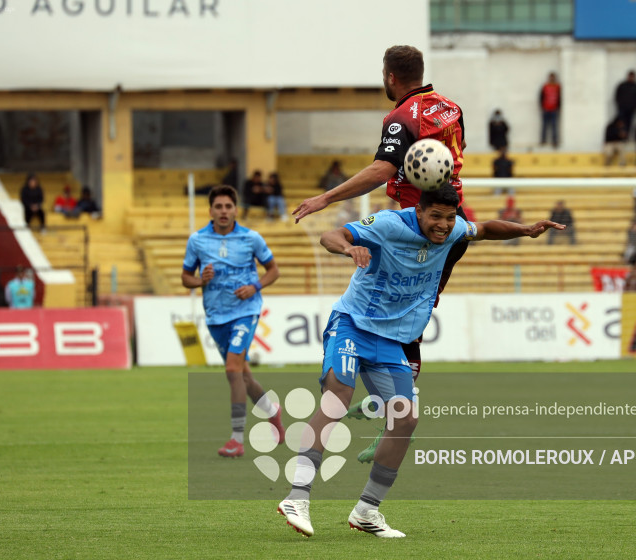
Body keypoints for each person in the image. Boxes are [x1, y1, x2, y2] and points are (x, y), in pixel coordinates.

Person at [277, 185, 564, 539]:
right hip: (351, 323)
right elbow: (330, 234)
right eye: (436, 216)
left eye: (449, 217)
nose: (444, 225)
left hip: (390, 341)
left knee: (406, 419)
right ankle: (297, 497)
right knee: (337, 397)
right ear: (419, 211)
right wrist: (349, 248)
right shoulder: (387, 223)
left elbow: (486, 229)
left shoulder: (456, 227)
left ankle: (367, 510)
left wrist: (526, 229)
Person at [292, 45, 470, 461]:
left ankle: (387, 409)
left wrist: (326, 198)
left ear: (390, 76)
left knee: (386, 306)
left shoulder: (400, 117)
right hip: (451, 225)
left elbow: (383, 170)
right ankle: (389, 407)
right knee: (416, 310)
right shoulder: (451, 108)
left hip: (415, 225)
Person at [181, 184, 285, 458]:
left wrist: (255, 286)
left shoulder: (251, 238)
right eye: (219, 207)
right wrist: (199, 280)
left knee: (231, 369)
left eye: (228, 206)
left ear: (235, 209)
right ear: (211, 211)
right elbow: (185, 278)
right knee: (243, 375)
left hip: (245, 311)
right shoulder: (198, 240)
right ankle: (273, 412)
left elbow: (273, 271)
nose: (224, 211)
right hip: (216, 316)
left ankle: (236, 440)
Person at [540, 72, 561, 148]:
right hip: (546, 109)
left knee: (554, 126)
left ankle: (554, 141)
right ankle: (543, 140)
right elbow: (541, 96)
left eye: (553, 77)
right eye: (551, 77)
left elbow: (560, 97)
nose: (552, 79)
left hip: (554, 109)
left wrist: (558, 107)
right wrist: (542, 106)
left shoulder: (557, 86)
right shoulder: (545, 86)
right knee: (544, 126)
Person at [615, 70, 636, 135]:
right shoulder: (622, 85)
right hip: (622, 108)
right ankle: (620, 136)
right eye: (630, 76)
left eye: (632, 77)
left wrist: (635, 107)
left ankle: (627, 136)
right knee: (621, 123)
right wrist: (620, 104)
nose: (631, 78)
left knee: (629, 124)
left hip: (631, 109)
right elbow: (617, 96)